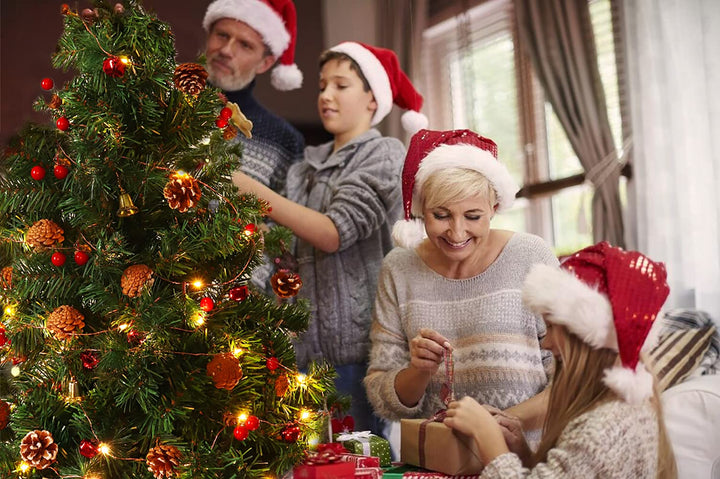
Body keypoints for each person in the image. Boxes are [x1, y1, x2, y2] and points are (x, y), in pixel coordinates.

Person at [231, 41, 428, 431]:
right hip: (299, 356)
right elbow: (285, 250)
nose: (325, 95)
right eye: (322, 86)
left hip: (358, 357)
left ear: (373, 99)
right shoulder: (301, 170)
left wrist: (255, 193)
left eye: (341, 85)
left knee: (358, 459)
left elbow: (334, 232)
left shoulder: (385, 155)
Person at [364, 129, 558, 440]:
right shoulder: (399, 268)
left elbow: (571, 380)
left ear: (494, 207)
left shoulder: (531, 257)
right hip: (440, 463)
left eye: (472, 216)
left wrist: (497, 424)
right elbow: (381, 397)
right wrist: (419, 371)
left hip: (527, 460)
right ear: (419, 210)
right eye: (441, 215)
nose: (456, 233)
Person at [443, 242, 677, 478]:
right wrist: (521, 452)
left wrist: (487, 437)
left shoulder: (602, 430)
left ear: (585, 336)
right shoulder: (620, 410)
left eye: (552, 327)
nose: (546, 342)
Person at [202, 0, 304, 193]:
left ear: (265, 64)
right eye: (222, 35)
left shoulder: (285, 140)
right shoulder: (161, 92)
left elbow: (281, 222)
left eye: (245, 45)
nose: (226, 50)